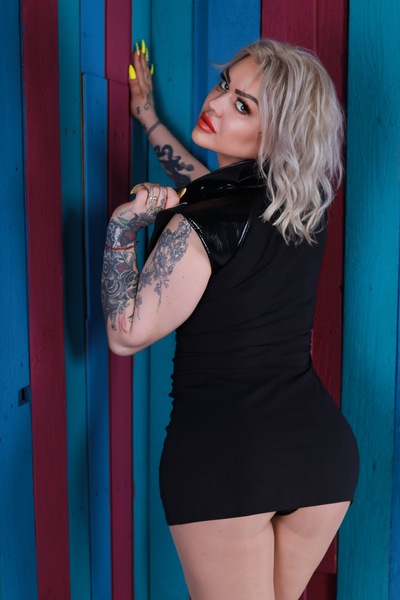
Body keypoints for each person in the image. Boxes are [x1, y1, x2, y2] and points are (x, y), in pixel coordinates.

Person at [102, 39, 359, 600]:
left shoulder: (199, 224)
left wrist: (123, 227)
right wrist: (147, 118)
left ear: (277, 136)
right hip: (320, 459)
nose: (215, 104)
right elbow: (204, 184)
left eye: (243, 106)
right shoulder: (298, 206)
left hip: (229, 459)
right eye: (225, 86)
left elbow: (126, 335)